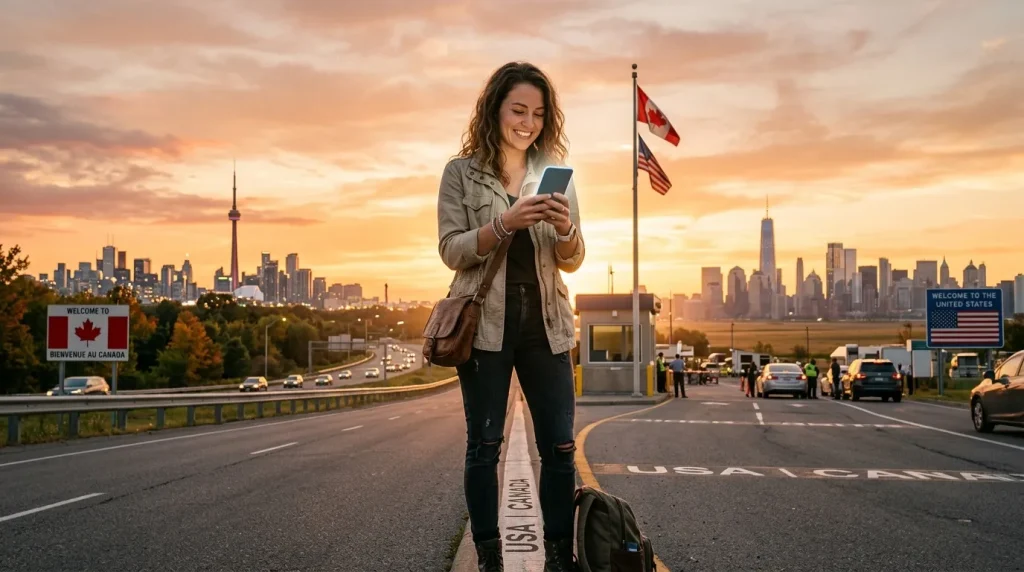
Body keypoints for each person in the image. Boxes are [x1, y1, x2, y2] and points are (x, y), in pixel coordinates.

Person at [436, 62, 584, 572]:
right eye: (518, 110)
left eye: (539, 114)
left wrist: (564, 228)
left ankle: (560, 559)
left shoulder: (554, 172)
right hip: (485, 328)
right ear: (495, 108)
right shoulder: (461, 173)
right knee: (484, 447)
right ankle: (490, 559)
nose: (528, 123)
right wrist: (504, 223)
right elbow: (452, 250)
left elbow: (573, 258)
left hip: (547, 325)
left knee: (560, 448)